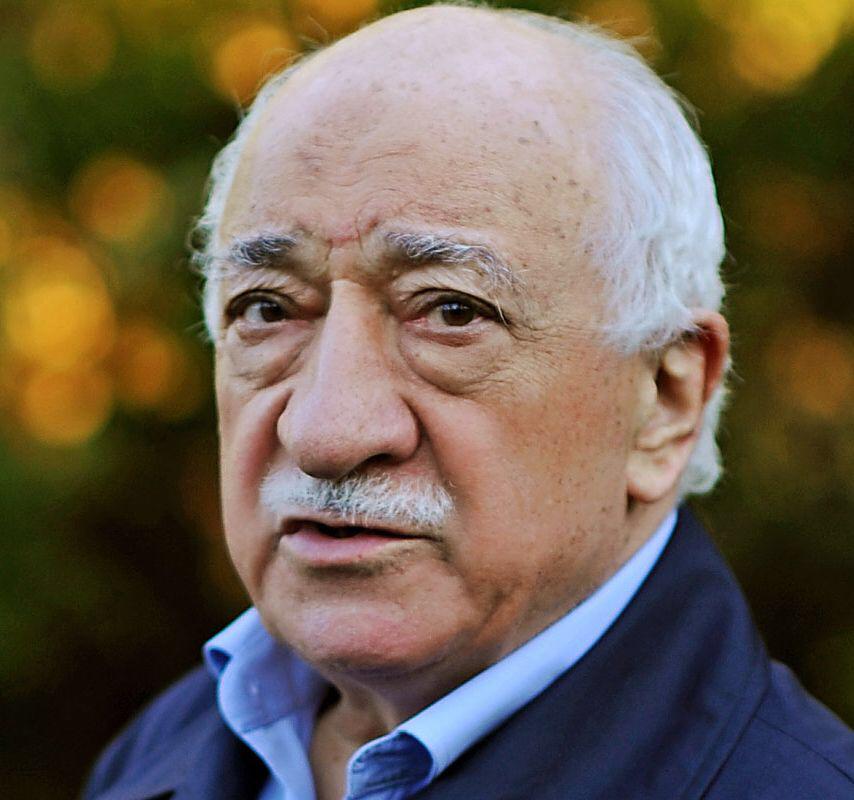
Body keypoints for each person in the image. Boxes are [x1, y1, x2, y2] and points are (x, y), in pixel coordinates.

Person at [82, 5, 854, 799]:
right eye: (267, 308)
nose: (326, 432)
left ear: (664, 400)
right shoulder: (159, 755)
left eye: (452, 311)